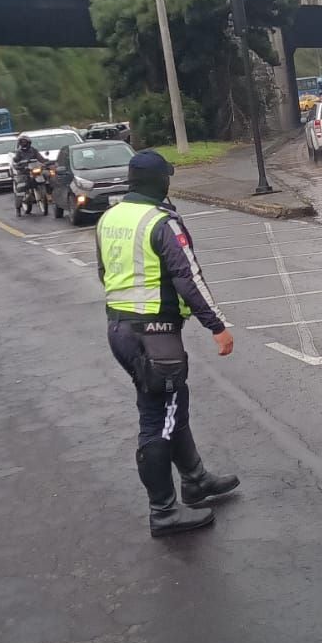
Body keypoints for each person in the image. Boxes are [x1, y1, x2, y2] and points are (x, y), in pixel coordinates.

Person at [96, 150, 238, 537]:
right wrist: (217, 326)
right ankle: (163, 512)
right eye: (168, 178)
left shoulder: (110, 218)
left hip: (120, 329)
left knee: (170, 406)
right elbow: (187, 277)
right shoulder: (161, 222)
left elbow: (104, 272)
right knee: (158, 421)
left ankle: (195, 479)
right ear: (159, 182)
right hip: (156, 336)